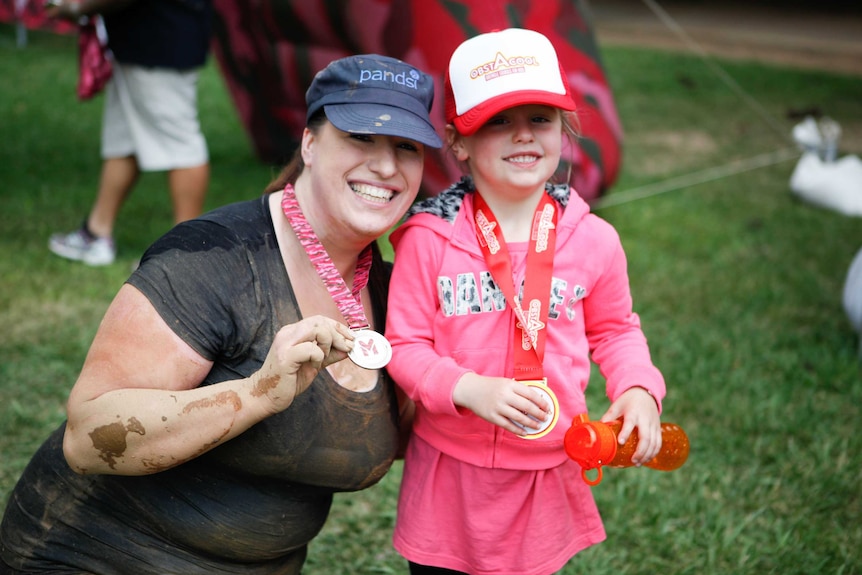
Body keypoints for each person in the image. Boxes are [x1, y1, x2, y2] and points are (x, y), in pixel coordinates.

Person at [0, 53, 441, 574]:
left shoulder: (394, 290)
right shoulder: (213, 258)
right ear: (310, 143)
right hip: (94, 555)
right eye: (362, 138)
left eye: (406, 147)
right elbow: (88, 437)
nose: (386, 166)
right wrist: (255, 394)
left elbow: (411, 432)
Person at [384, 28, 667, 575]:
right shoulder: (426, 238)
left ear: (564, 131)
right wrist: (468, 388)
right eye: (498, 121)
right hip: (450, 472)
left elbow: (616, 330)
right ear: (458, 141)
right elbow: (404, 344)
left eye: (539, 118)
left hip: (548, 469)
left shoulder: (595, 240)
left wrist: (639, 389)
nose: (523, 136)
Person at [46, 0, 213, 266]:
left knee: (182, 148)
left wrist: (76, 6)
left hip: (162, 44)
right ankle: (96, 233)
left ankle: (186, 255)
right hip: (143, 41)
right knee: (125, 140)